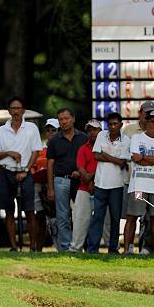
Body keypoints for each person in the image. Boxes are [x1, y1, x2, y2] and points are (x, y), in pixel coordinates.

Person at [0, 96, 42, 251]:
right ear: (9, 111)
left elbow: (35, 152)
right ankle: (14, 246)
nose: (15, 111)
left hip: (25, 173)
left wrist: (26, 170)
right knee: (8, 211)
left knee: (29, 210)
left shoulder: (31, 128)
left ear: (23, 110)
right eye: (13, 108)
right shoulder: (1, 130)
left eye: (18, 108)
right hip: (6, 172)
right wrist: (10, 153)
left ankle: (32, 246)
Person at [125, 109, 154, 255]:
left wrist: (144, 157)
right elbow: (135, 158)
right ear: (145, 122)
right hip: (138, 186)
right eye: (150, 120)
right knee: (132, 216)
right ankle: (127, 249)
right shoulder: (136, 138)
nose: (152, 123)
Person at [87, 112, 130, 254]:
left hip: (117, 184)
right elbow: (96, 155)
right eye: (110, 124)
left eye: (115, 124)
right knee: (97, 217)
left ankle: (113, 248)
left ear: (121, 125)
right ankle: (92, 248)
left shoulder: (126, 140)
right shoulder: (101, 135)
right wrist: (113, 158)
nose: (112, 127)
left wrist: (105, 155)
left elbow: (122, 162)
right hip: (100, 182)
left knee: (115, 218)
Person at [46, 107, 87, 252]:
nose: (64, 122)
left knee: (81, 215)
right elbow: (50, 164)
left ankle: (78, 246)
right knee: (62, 216)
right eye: (61, 119)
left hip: (81, 181)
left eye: (66, 118)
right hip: (60, 180)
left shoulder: (83, 138)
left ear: (73, 119)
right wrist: (50, 188)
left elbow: (88, 159)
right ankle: (65, 248)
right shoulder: (54, 140)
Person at [70, 119, 101, 252]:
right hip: (84, 187)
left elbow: (104, 166)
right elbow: (80, 166)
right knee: (80, 220)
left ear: (101, 131)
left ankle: (112, 249)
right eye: (90, 130)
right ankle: (75, 248)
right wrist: (88, 179)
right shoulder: (83, 148)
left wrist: (91, 178)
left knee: (105, 221)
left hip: (103, 187)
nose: (92, 132)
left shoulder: (106, 147)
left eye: (95, 129)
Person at [31, 118, 59, 251]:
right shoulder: (40, 149)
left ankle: (60, 247)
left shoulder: (62, 147)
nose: (51, 133)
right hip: (38, 185)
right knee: (39, 216)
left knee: (58, 217)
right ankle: (38, 248)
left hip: (56, 185)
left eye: (54, 130)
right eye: (48, 130)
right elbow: (33, 166)